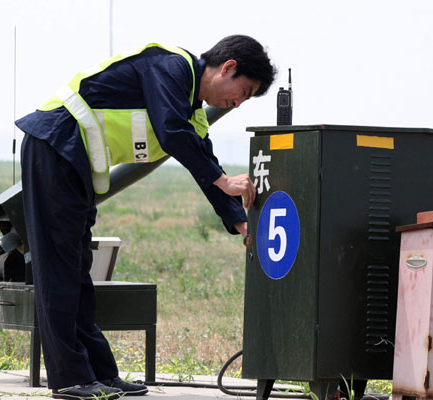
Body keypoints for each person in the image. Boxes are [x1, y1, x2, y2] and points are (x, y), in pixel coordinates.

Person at [16, 34, 276, 399]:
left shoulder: (193, 113)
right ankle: (69, 378)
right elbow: (171, 132)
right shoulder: (170, 66)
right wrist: (223, 179)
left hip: (75, 159)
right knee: (58, 269)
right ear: (228, 68)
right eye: (243, 92)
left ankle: (100, 374)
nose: (236, 103)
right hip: (57, 141)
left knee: (77, 271)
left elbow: (204, 164)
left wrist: (241, 222)